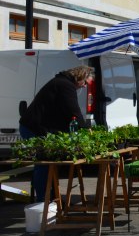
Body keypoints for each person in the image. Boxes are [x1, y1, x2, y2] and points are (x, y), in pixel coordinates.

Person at [19, 65, 93, 202]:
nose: (84, 86)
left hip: (37, 126)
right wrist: (84, 129)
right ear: (80, 77)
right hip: (33, 128)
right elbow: (73, 110)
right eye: (85, 82)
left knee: (47, 164)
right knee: (44, 163)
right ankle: (44, 201)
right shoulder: (65, 85)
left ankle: (50, 199)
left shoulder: (62, 83)